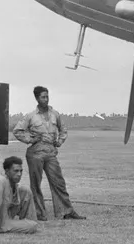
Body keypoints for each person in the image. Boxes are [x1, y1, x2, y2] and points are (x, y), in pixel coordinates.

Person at [13, 86, 86, 221]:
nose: (46, 100)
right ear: (37, 98)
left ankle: (66, 211)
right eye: (43, 97)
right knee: (36, 184)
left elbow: (63, 129)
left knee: (58, 181)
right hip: (35, 153)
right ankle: (40, 214)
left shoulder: (55, 114)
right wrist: (31, 139)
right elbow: (17, 131)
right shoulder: (31, 116)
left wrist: (59, 141)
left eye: (47, 97)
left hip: (51, 152)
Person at [0, 156, 39, 234]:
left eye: (21, 171)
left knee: (25, 190)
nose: (19, 174)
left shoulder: (13, 183)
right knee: (32, 226)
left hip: (7, 218)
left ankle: (28, 221)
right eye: (15, 171)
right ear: (7, 171)